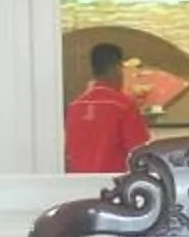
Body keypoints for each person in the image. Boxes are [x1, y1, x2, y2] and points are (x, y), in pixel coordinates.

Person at [64, 41, 153, 174]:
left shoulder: (75, 107)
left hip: (78, 186)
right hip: (113, 187)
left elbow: (68, 156)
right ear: (116, 69)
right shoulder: (123, 106)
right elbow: (139, 153)